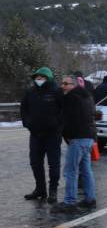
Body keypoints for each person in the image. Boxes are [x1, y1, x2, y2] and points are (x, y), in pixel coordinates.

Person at [52, 74, 97, 213]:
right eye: (62, 83)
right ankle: (90, 199)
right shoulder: (87, 96)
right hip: (89, 138)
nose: (62, 86)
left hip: (77, 139)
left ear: (74, 85)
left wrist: (65, 135)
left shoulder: (71, 98)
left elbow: (66, 120)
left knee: (70, 171)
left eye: (66, 84)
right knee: (86, 170)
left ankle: (70, 202)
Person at [20, 67, 64, 204]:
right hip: (35, 134)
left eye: (42, 77)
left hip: (52, 135)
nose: (39, 80)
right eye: (37, 78)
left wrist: (58, 126)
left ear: (48, 78)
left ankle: (53, 191)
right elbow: (24, 108)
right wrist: (27, 123)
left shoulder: (57, 91)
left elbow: (64, 111)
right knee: (35, 163)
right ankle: (40, 189)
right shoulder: (30, 91)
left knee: (53, 164)